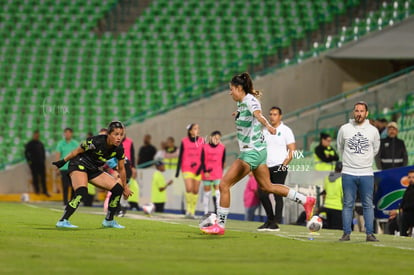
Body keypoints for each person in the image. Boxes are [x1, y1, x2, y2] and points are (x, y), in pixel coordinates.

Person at [201, 72, 315, 235]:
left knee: (224, 185)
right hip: (259, 152)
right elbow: (249, 115)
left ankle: (220, 225)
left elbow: (258, 115)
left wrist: (268, 126)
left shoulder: (249, 100)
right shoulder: (242, 102)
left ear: (239, 88)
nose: (230, 92)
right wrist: (238, 114)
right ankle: (306, 200)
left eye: (232, 89)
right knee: (267, 187)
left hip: (251, 152)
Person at [52, 121, 132, 228]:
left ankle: (109, 220)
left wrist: (125, 187)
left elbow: (121, 169)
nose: (119, 138)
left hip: (93, 169)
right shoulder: (95, 141)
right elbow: (76, 151)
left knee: (118, 189)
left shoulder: (119, 149)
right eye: (116, 134)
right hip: (79, 164)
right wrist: (62, 161)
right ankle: (63, 220)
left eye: (121, 135)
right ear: (109, 134)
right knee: (82, 191)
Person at [337, 101, 380, 242]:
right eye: (356, 111)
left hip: (366, 173)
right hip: (348, 172)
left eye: (362, 111)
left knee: (368, 204)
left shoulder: (373, 130)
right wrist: (349, 163)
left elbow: (375, 149)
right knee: (348, 204)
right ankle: (346, 233)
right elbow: (340, 147)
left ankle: (369, 233)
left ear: (366, 113)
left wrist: (364, 161)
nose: (359, 113)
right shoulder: (344, 129)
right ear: (353, 112)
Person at [257, 106, 295, 231]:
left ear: (280, 116)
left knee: (278, 195)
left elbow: (291, 150)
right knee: (262, 194)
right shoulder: (264, 131)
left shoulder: (286, 130)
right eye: (270, 114)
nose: (272, 117)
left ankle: (275, 222)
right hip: (265, 167)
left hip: (279, 165)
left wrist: (283, 165)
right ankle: (270, 219)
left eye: (275, 114)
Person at [175, 123, 204, 218]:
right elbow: (180, 156)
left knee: (195, 190)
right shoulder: (184, 141)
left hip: (198, 168)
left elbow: (204, 156)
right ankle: (188, 211)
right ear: (190, 131)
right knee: (189, 188)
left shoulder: (201, 141)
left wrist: (200, 168)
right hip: (187, 167)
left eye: (198, 128)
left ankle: (193, 211)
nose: (197, 130)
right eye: (195, 128)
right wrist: (177, 170)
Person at [200, 131, 226, 214]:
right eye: (215, 138)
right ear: (211, 137)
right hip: (207, 172)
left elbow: (223, 161)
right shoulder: (204, 147)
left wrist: (221, 172)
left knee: (218, 193)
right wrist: (205, 171)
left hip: (217, 172)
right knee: (207, 193)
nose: (216, 140)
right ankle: (205, 211)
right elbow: (202, 160)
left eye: (218, 139)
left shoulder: (222, 147)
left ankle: (218, 211)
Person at [55, 128, 78, 205]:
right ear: (64, 134)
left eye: (69, 133)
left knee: (73, 185)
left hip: (73, 167)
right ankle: (65, 201)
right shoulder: (60, 144)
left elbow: (78, 154)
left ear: (71, 134)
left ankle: (72, 201)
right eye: (66, 133)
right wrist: (57, 167)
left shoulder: (75, 143)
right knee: (65, 185)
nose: (67, 134)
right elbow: (58, 155)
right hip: (64, 167)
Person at [319, 161, 343, 230]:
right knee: (337, 230)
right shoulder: (342, 179)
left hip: (327, 206)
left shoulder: (327, 178)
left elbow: (325, 191)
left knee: (329, 228)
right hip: (338, 207)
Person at [24, 130, 49, 196]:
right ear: (33, 135)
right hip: (34, 164)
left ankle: (44, 191)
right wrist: (29, 161)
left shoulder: (40, 143)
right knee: (35, 177)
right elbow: (26, 153)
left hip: (41, 163)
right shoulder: (30, 144)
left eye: (37, 135)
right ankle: (37, 191)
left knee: (43, 178)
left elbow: (43, 153)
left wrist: (43, 160)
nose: (36, 136)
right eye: (35, 135)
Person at [399, 170, 414, 237]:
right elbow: (403, 201)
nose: (411, 179)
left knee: (403, 217)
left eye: (413, 177)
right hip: (407, 213)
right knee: (392, 222)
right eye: (409, 177)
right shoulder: (409, 188)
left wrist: (403, 209)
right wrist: (399, 210)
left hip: (411, 213)